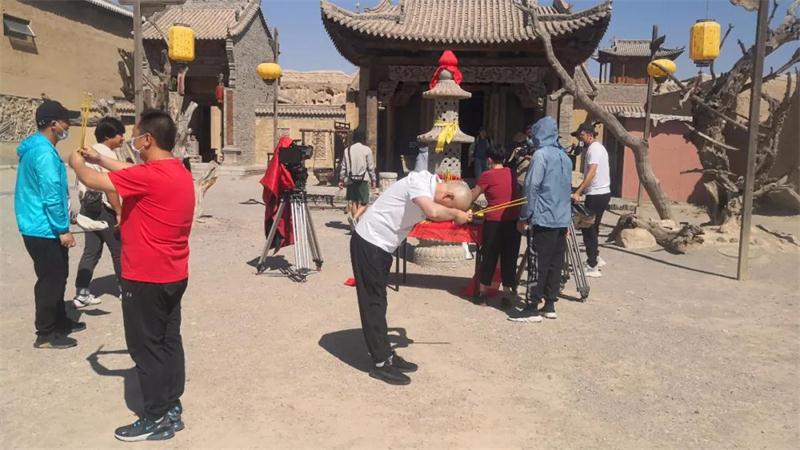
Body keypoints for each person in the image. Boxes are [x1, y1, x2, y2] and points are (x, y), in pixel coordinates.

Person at [69, 110, 194, 442]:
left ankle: (155, 417)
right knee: (168, 341)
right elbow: (130, 171)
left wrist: (77, 162)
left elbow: (93, 181)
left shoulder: (149, 176)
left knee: (145, 347)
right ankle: (172, 407)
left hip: (146, 278)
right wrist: (99, 157)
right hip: (173, 274)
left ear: (147, 139)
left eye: (136, 135)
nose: (133, 140)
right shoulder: (178, 171)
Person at [352, 171, 473, 385]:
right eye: (451, 206)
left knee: (380, 301)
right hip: (369, 242)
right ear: (448, 197)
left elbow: (435, 210)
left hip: (381, 246)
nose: (448, 210)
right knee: (373, 303)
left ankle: (386, 353)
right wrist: (455, 214)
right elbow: (433, 211)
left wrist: (400, 335)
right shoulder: (420, 182)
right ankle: (381, 363)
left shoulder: (431, 186)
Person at [15, 100, 84, 350]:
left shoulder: (39, 148)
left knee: (59, 274)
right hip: (42, 227)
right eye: (66, 122)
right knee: (50, 279)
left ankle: (59, 321)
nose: (68, 127)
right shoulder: (43, 153)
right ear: (54, 124)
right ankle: (45, 333)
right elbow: (51, 194)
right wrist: (62, 229)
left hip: (42, 223)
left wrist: (67, 217)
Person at [513, 117, 572, 323]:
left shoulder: (541, 155)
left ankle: (531, 306)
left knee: (537, 262)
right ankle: (550, 304)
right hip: (561, 219)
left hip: (542, 217)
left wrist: (524, 215)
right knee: (555, 263)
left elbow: (531, 187)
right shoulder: (565, 157)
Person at [72, 117, 125, 308]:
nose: (123, 138)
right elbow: (111, 187)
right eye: (120, 134)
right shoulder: (105, 155)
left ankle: (81, 293)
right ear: (108, 136)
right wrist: (118, 211)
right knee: (118, 250)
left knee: (91, 251)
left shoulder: (87, 152)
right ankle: (126, 290)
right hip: (104, 208)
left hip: (88, 207)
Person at [471, 145, 521, 308]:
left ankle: (482, 294)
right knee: (509, 258)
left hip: (494, 222)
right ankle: (506, 296)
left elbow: (472, 195)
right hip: (513, 221)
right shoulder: (511, 173)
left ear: (489, 160)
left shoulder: (487, 175)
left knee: (489, 257)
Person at [571, 123, 611, 278]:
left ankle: (592, 265)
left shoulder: (594, 149)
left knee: (588, 228)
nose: (579, 139)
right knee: (594, 227)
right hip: (601, 193)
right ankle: (596, 257)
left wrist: (578, 191)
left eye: (581, 135)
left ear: (589, 134)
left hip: (596, 194)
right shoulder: (597, 148)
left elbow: (592, 171)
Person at [338, 130, 376, 227]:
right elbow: (371, 167)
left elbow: (343, 166)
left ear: (353, 139)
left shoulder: (347, 150)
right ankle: (355, 219)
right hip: (363, 179)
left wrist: (341, 179)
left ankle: (356, 225)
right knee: (364, 203)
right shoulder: (367, 150)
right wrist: (373, 179)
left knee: (354, 201)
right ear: (363, 139)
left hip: (351, 179)